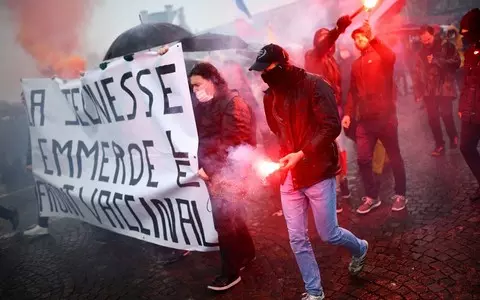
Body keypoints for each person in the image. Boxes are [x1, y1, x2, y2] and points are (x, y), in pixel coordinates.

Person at [249, 44, 368, 300]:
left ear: (282, 64)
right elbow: (277, 131)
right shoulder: (269, 96)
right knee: (297, 239)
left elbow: (331, 127)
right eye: (260, 71)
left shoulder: (315, 85)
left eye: (267, 69)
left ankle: (359, 248)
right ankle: (314, 291)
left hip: (317, 172)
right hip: (289, 177)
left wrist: (301, 154)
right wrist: (277, 161)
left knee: (329, 234)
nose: (263, 75)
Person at [189, 62, 256, 291]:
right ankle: (247, 253)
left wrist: (211, 168)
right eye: (192, 87)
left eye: (197, 84)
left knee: (224, 220)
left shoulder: (232, 103)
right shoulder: (203, 105)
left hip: (230, 172)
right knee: (232, 215)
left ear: (211, 80)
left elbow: (233, 142)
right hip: (213, 170)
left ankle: (230, 273)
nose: (195, 91)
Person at [342, 21, 407, 214]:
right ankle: (372, 196)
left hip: (385, 117)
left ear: (368, 38)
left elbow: (391, 56)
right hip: (365, 121)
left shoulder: (381, 56)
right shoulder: (355, 65)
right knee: (363, 159)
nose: (359, 40)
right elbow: (352, 92)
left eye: (362, 37)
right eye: (356, 38)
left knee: (394, 157)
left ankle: (400, 194)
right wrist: (348, 113)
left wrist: (374, 38)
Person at [304, 15, 353, 212]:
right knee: (329, 155)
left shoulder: (332, 60)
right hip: (321, 116)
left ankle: (344, 184)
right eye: (323, 39)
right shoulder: (312, 56)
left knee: (341, 151)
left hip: (336, 112)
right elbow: (322, 47)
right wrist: (337, 30)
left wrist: (345, 111)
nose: (328, 43)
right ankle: (332, 197)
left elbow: (339, 87)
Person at [413, 25, 461, 156]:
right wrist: (417, 91)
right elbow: (417, 72)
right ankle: (439, 144)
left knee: (446, 114)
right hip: (429, 90)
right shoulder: (420, 53)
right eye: (423, 40)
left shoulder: (446, 46)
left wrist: (436, 61)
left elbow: (457, 62)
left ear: (433, 35)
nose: (426, 42)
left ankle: (453, 135)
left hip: (444, 86)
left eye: (428, 39)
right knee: (433, 118)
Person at [459, 8, 480, 201]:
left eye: (467, 32)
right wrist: (461, 106)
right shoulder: (472, 52)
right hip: (471, 111)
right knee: (465, 146)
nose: (464, 36)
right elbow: (467, 82)